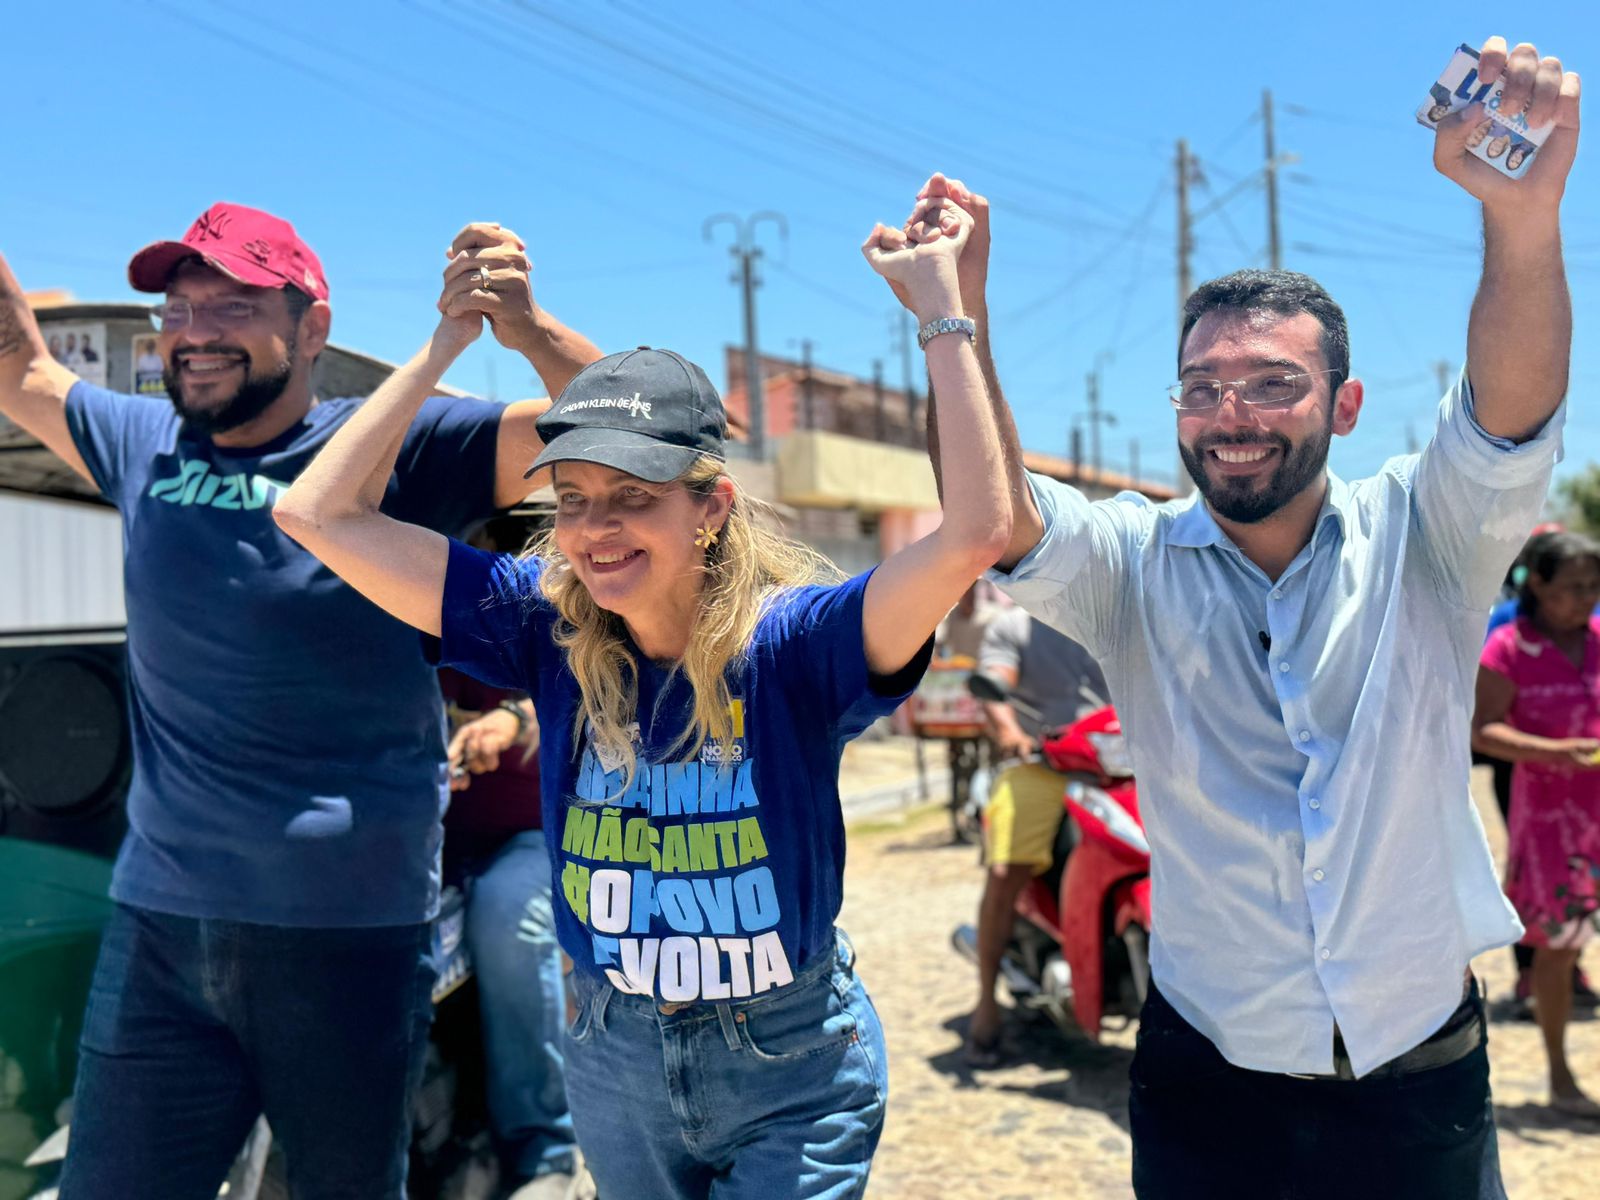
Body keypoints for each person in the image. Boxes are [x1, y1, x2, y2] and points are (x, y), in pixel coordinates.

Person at [899, 35, 1578, 1199]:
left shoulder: (1428, 534)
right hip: (1207, 1079)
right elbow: (991, 518)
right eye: (1204, 387)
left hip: (1417, 1079)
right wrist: (956, 321)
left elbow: (1509, 418)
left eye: (1272, 382)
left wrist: (1522, 221)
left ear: (1345, 404)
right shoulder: (1132, 560)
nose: (1233, 414)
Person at [272, 191, 1011, 1199]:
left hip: (787, 1062)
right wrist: (445, 345)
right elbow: (314, 513)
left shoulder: (795, 645)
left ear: (709, 508)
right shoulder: (544, 622)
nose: (594, 529)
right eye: (571, 499)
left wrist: (942, 308)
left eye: (633, 496)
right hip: (611, 1055)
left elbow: (974, 535)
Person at [0, 203, 604, 1199]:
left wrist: (527, 329)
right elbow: (20, 368)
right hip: (161, 926)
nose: (194, 331)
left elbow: (621, 431)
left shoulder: (400, 446)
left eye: (232, 305)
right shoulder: (140, 440)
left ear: (310, 327)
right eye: (178, 308)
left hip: (348, 933)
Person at [438, 517, 580, 1199]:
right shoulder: (418, 592)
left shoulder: (561, 603)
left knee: (506, 917)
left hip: (532, 834)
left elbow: (581, 687)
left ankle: (543, 1148)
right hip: (423, 836)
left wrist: (511, 721)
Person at [1474, 532, 1600, 1118]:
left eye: (1594, 586)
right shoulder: (1508, 649)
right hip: (1553, 827)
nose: (1586, 598)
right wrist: (1557, 753)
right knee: (1556, 952)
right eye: (1574, 586)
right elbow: (1482, 730)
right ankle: (1559, 1073)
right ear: (1539, 585)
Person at [963, 607, 1110, 1065]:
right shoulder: (1012, 626)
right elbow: (995, 682)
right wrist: (1008, 731)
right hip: (1040, 764)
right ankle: (986, 1003)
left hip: (1114, 764)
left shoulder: (1108, 615)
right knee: (1006, 870)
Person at [935, 580, 999, 661]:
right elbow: (938, 641)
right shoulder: (949, 615)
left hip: (984, 665)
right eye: (964, 593)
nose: (968, 596)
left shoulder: (992, 614)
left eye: (971, 591)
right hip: (956, 666)